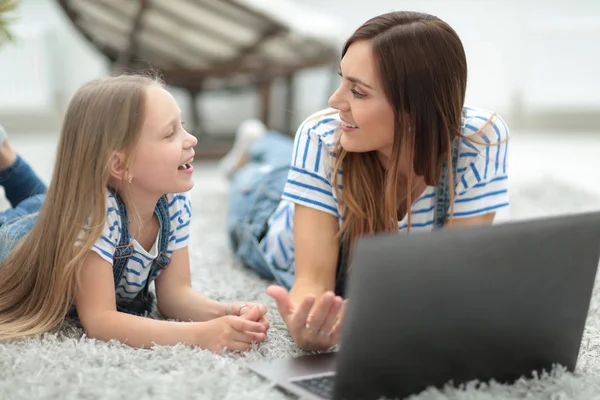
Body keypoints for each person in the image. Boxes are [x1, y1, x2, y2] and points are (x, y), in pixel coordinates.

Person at [223, 11, 510, 351]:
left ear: (414, 109)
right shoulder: (320, 135)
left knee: (289, 158)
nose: (334, 100)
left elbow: (453, 277)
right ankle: (256, 143)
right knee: (265, 173)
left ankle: (264, 142)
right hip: (265, 211)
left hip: (324, 169)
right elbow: (312, 281)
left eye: (357, 91)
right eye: (341, 79)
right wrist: (308, 324)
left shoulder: (480, 140)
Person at [0, 75, 270, 352]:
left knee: (45, 202)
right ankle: (5, 155)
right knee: (38, 207)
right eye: (170, 133)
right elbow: (100, 320)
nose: (191, 139)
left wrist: (228, 312)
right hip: (17, 237)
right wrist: (200, 335)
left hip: (54, 213)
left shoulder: (173, 202)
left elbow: (175, 296)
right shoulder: (96, 217)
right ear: (120, 165)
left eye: (183, 126)